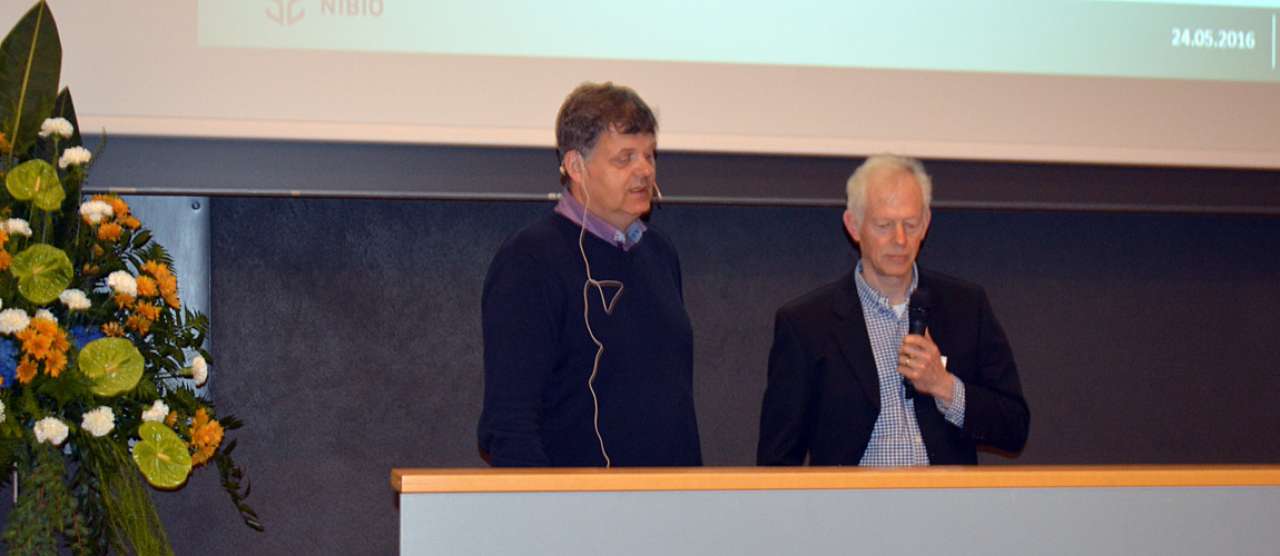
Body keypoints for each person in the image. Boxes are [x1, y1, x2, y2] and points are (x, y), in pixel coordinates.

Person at [477, 82, 702, 467]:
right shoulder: (529, 261)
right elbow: (509, 424)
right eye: (624, 158)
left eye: (649, 155)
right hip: (579, 502)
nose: (644, 171)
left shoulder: (659, 253)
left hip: (672, 497)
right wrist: (550, 501)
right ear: (575, 166)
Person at [757, 155, 1029, 466]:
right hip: (853, 497)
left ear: (925, 224)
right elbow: (777, 460)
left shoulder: (966, 307)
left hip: (946, 496)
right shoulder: (807, 324)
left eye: (910, 225)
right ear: (854, 225)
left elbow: (1015, 427)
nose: (900, 240)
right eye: (884, 225)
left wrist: (944, 386)